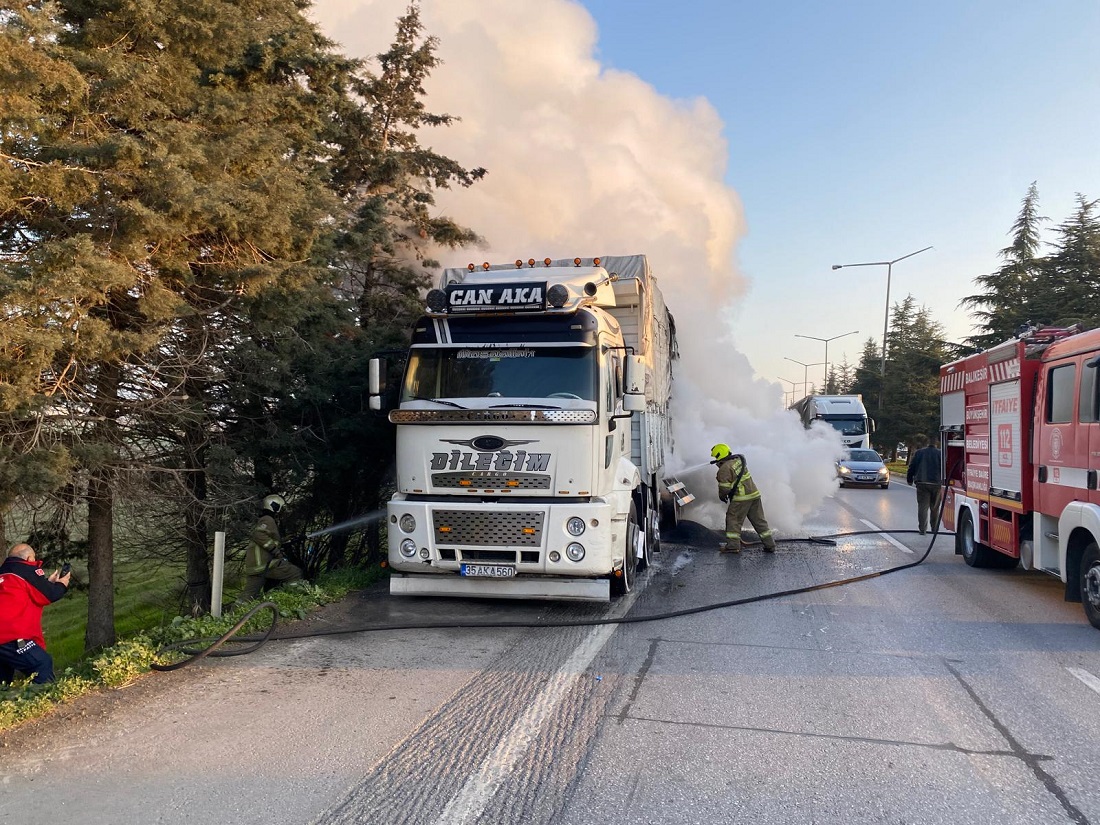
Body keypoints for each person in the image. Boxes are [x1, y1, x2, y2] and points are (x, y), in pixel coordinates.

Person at [0, 543, 71, 687]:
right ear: (29, 558)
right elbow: (50, 595)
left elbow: (28, 595)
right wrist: (62, 584)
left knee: (3, 682)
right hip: (10, 636)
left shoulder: (4, 573)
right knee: (42, 664)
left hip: (4, 637)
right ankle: (44, 700)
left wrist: (46, 584)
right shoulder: (25, 569)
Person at [712, 444, 776, 554]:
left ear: (719, 455)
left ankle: (732, 547)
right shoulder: (738, 460)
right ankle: (770, 545)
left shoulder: (724, 469)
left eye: (715, 457)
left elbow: (724, 489)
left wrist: (722, 497)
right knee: (759, 521)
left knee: (733, 520)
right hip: (754, 495)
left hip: (741, 498)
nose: (715, 460)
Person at [237, 494, 303, 603]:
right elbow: (259, 535)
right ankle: (292, 601)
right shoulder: (268, 519)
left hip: (256, 566)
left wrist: (286, 540)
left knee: (248, 596)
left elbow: (270, 539)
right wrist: (276, 551)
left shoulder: (264, 519)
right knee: (295, 573)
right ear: (275, 506)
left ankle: (234, 616)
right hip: (265, 564)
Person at [907, 435, 943, 535]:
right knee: (935, 508)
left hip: (922, 483)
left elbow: (912, 466)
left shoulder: (919, 453)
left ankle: (922, 529)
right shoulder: (941, 454)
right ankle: (934, 529)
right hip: (937, 484)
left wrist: (909, 479)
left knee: (923, 507)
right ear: (936, 443)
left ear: (927, 443)